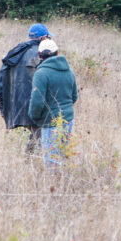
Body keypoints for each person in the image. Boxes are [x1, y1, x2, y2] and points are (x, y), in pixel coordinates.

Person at [0, 23, 52, 153]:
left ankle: (30, 164)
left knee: (36, 136)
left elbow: (0, 84)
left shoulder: (15, 53)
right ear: (43, 38)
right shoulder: (42, 55)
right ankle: (31, 165)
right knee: (39, 137)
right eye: (48, 37)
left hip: (17, 108)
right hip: (36, 106)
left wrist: (3, 109)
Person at [28, 38, 78, 166]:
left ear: (39, 55)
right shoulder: (69, 72)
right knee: (62, 156)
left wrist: (35, 118)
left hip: (50, 122)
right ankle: (63, 184)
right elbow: (74, 97)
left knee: (51, 162)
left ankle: (54, 183)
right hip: (68, 120)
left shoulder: (41, 74)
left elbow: (37, 103)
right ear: (57, 53)